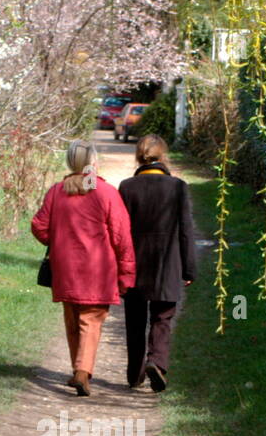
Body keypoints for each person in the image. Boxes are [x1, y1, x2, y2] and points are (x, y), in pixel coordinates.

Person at [31, 139, 136, 396]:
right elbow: (122, 236)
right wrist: (127, 273)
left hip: (65, 268)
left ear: (70, 162)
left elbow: (39, 226)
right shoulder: (106, 192)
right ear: (93, 162)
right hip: (98, 270)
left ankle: (78, 369)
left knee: (72, 319)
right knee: (90, 320)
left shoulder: (57, 191)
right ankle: (82, 371)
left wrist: (57, 240)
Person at [116, 134, 196, 392]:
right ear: (163, 157)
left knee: (135, 319)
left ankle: (134, 373)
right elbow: (186, 230)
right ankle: (157, 363)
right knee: (163, 317)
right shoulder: (177, 187)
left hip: (135, 263)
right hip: (167, 263)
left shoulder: (127, 187)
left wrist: (117, 266)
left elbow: (120, 231)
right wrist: (189, 268)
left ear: (139, 157)